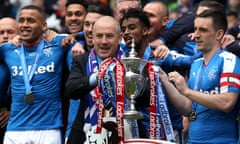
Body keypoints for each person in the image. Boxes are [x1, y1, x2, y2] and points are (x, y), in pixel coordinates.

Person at [159, 9, 240, 143]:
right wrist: (163, 79)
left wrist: (186, 91)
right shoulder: (196, 64)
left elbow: (227, 102)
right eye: (195, 29)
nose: (195, 35)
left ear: (219, 34)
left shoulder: (229, 60)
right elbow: (188, 108)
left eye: (202, 30)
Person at [0, 5, 73, 144]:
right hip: (15, 130)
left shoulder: (57, 44)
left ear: (43, 25)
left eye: (31, 20)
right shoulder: (8, 49)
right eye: (21, 20)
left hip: (49, 130)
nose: (25, 25)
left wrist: (55, 34)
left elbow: (82, 37)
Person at [65, 16, 128, 144]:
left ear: (120, 38)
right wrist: (97, 77)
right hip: (86, 132)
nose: (104, 41)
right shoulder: (81, 60)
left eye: (109, 36)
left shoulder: (129, 61)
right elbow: (70, 90)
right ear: (92, 37)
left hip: (125, 132)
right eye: (99, 36)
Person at [64, 2, 113, 143]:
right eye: (87, 24)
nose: (91, 30)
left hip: (115, 129)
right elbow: (70, 89)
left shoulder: (123, 57)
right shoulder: (73, 50)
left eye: (96, 25)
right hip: (80, 128)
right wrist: (98, 76)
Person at [0, 17, 18, 144]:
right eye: (1, 33)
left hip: (20, 126)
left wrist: (13, 111)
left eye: (10, 32)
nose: (5, 36)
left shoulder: (31, 59)